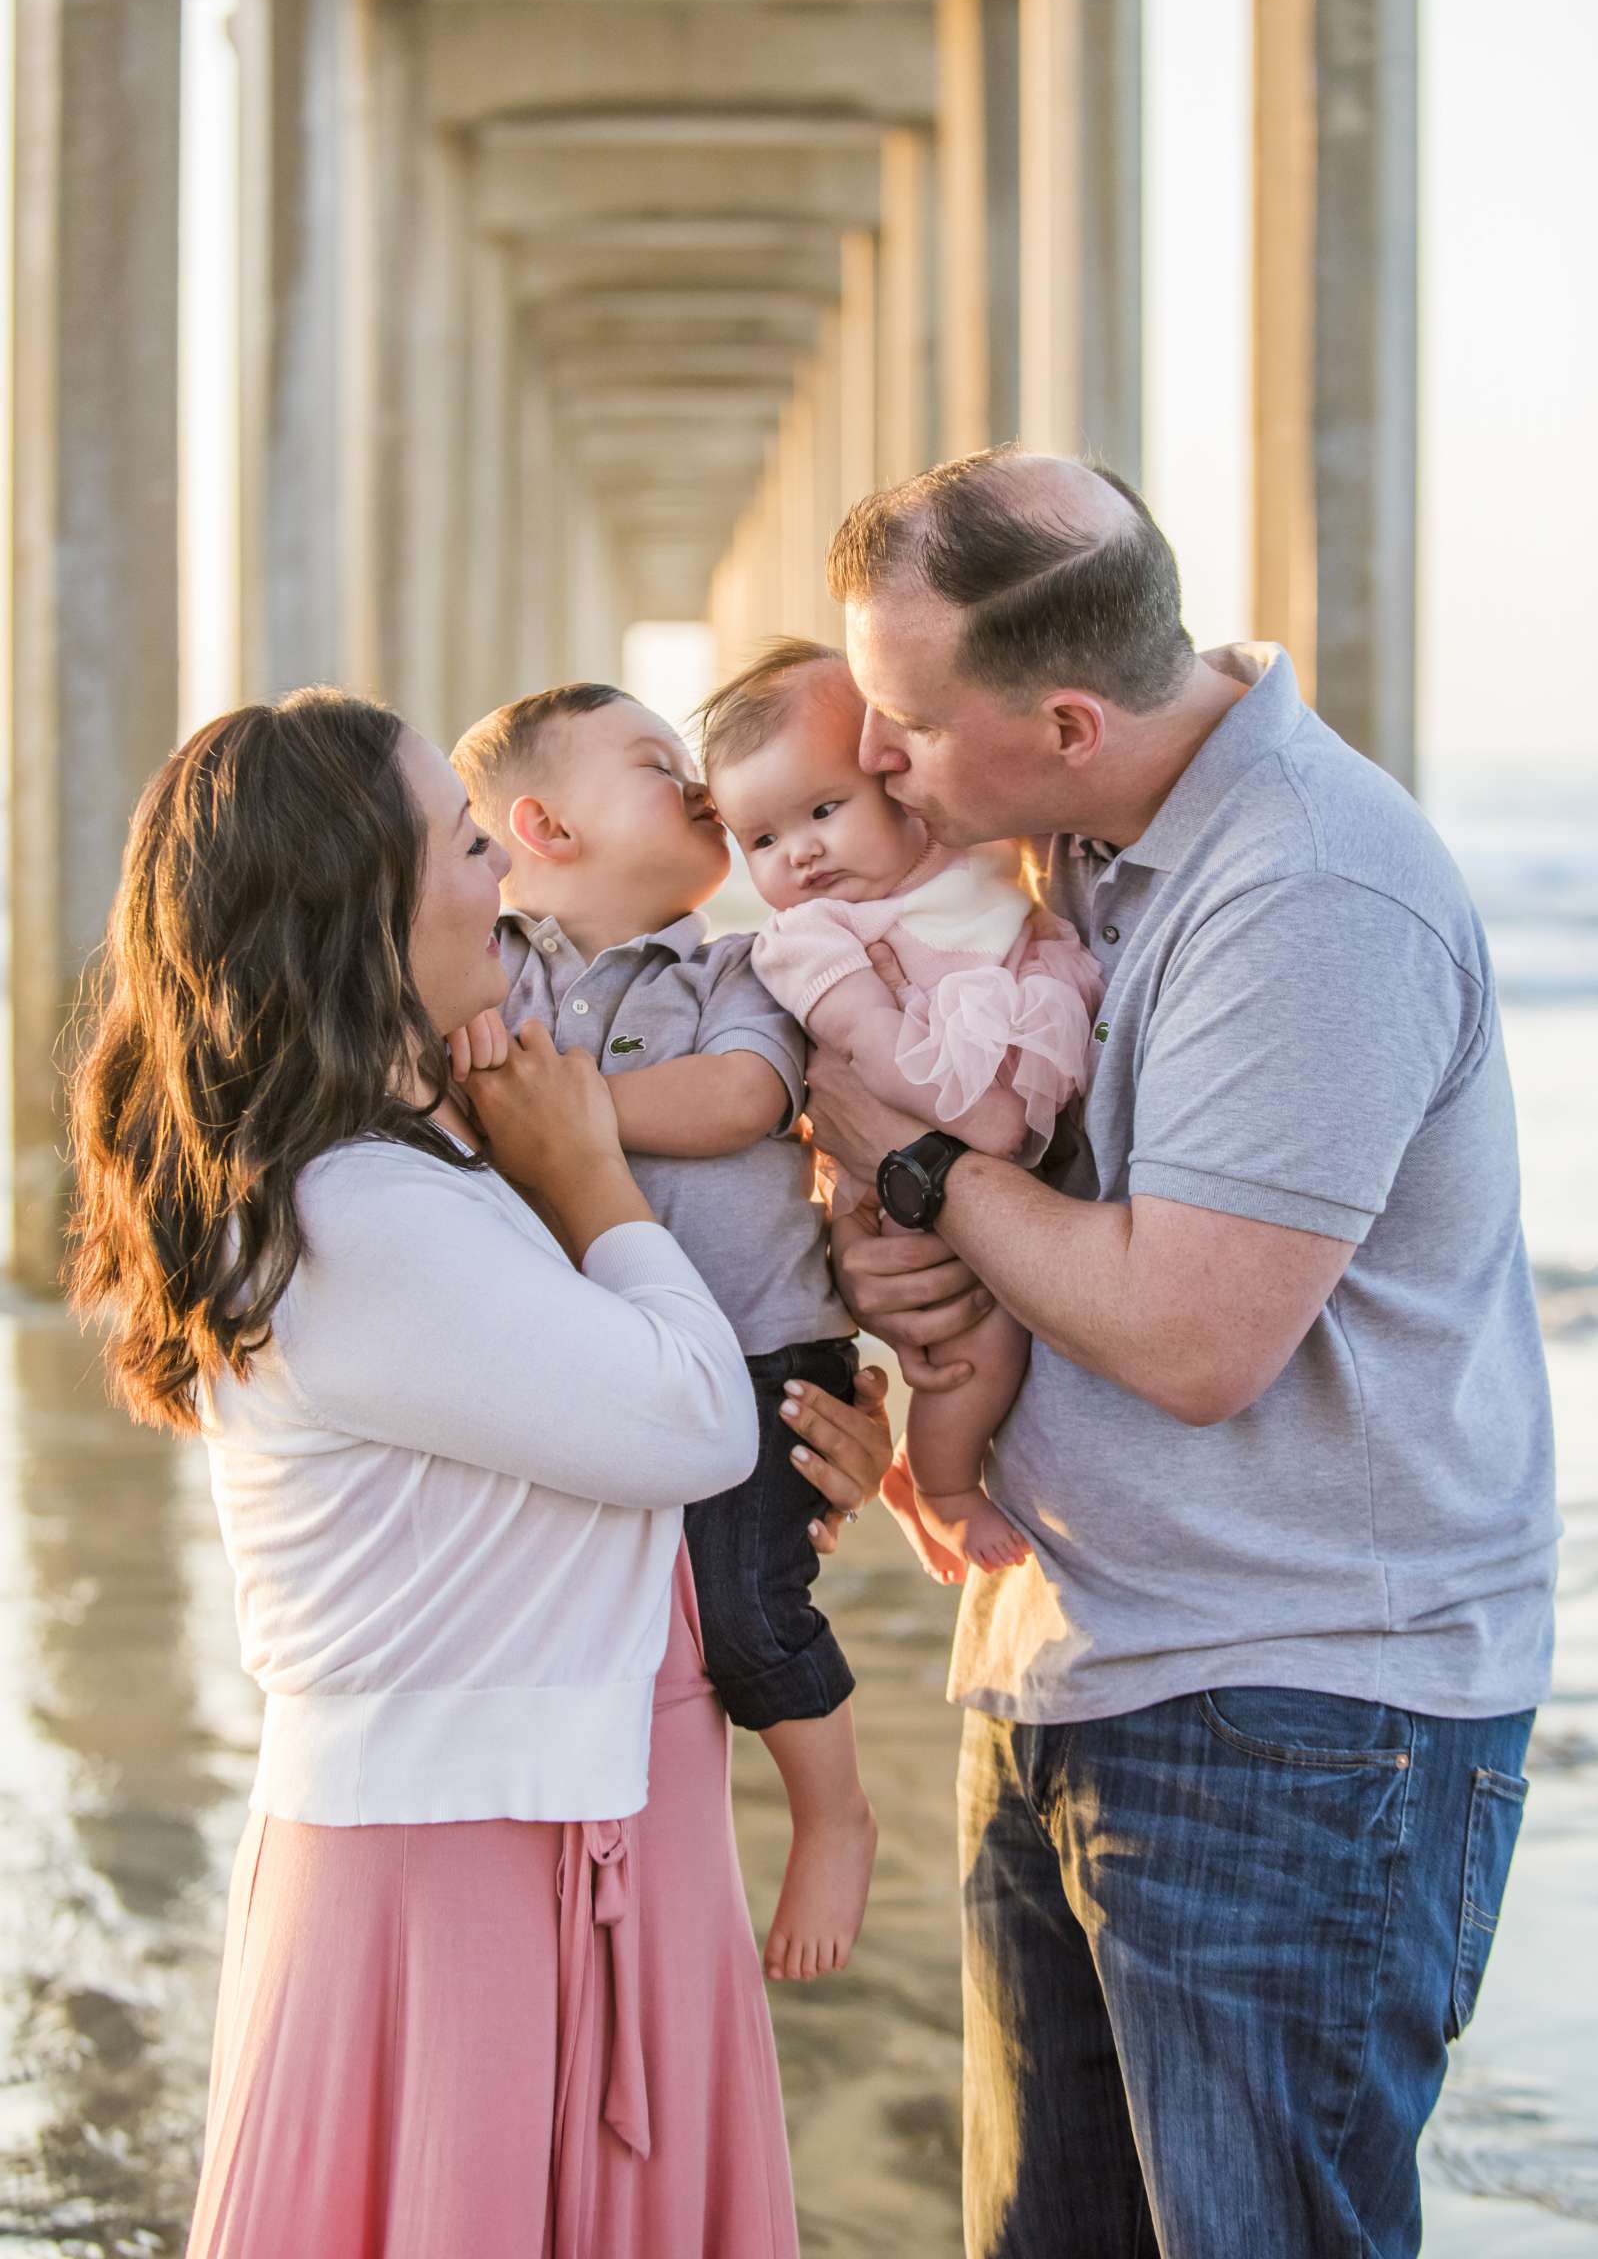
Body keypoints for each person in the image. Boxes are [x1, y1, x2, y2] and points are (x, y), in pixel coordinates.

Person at [805, 447, 1560, 2259]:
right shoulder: (1077, 841)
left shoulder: (1308, 892)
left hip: (1296, 1720)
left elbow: (1185, 1331)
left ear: (1069, 719)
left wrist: (917, 1162)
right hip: (1081, 1659)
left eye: (902, 724)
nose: (873, 763)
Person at [66, 687, 890, 2258]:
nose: (497, 880)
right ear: (363, 905)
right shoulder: (360, 1211)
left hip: (576, 1805)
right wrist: (588, 1175)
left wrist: (797, 1479)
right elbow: (683, 1419)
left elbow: (602, 1454)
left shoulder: (421, 1158)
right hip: (462, 1874)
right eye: (459, 847)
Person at [449, 681, 878, 1984]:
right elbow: (440, 1099)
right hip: (602, 1361)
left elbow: (743, 1095)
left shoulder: (742, 963)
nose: (699, 786)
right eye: (656, 764)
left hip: (757, 1345)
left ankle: (832, 1812)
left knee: (747, 1605)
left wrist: (554, 1117)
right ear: (545, 825)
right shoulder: (485, 972)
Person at [702, 637, 1100, 1576]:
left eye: (825, 810)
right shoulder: (813, 938)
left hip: (985, 1147)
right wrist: (984, 1129)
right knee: (977, 1341)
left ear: (899, 784)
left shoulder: (977, 855)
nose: (798, 852)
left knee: (1000, 1319)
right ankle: (946, 1484)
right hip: (909, 1163)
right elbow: (881, 1052)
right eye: (760, 840)